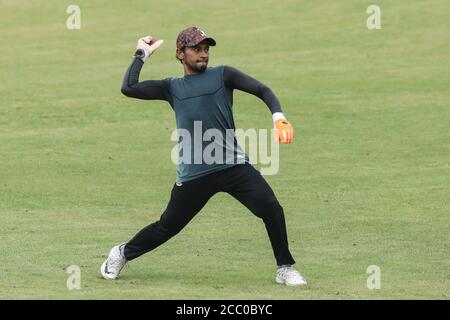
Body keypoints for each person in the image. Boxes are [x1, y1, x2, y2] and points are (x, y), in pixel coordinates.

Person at [100, 26, 307, 286]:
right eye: (196, 49)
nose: (203, 54)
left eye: (206, 49)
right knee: (167, 226)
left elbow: (263, 90)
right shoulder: (170, 87)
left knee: (271, 208)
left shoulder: (224, 75)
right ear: (180, 54)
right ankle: (122, 253)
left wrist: (279, 117)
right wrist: (142, 54)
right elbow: (129, 88)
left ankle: (284, 267)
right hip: (196, 174)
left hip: (233, 167)